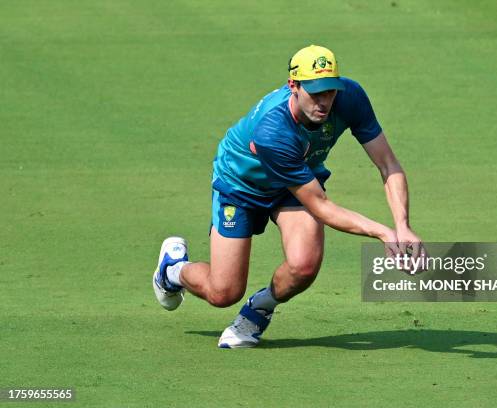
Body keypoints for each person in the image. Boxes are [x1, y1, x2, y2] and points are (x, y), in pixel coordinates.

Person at [152, 45, 426, 348]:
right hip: (242, 185)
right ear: (293, 86)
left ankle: (259, 309)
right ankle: (172, 269)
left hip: (297, 178)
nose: (324, 102)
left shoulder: (351, 97)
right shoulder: (273, 131)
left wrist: (402, 224)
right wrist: (382, 231)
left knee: (304, 266)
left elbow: (388, 163)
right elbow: (320, 206)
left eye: (330, 92)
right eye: (315, 93)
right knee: (223, 293)